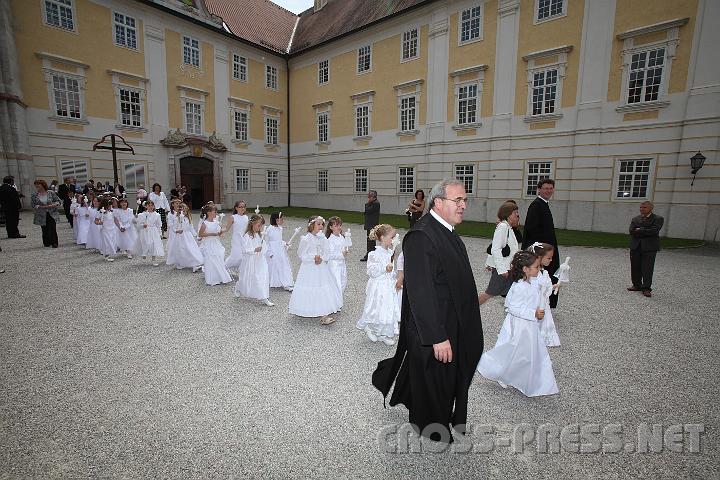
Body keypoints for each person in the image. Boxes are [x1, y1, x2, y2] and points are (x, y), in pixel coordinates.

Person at [372, 179, 484, 443]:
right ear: (438, 202)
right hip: (436, 325)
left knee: (442, 375)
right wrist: (437, 336)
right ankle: (431, 426)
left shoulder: (446, 230)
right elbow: (421, 293)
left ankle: (429, 409)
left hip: (451, 319)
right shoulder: (422, 236)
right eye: (458, 200)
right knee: (437, 377)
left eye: (464, 200)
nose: (463, 205)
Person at [477, 250, 559, 397]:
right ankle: (502, 372)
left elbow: (540, 290)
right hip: (520, 326)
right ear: (525, 270)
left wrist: (551, 287)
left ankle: (532, 381)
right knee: (513, 351)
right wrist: (532, 313)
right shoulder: (519, 287)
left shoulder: (532, 282)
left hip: (530, 326)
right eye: (536, 267)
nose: (538, 269)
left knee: (531, 353)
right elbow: (512, 307)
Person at [288, 216, 343, 325]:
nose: (321, 226)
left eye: (322, 224)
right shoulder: (306, 239)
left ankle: (324, 314)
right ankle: (309, 308)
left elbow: (327, 252)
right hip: (309, 268)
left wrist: (322, 257)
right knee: (311, 287)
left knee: (322, 288)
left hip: (321, 267)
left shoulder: (322, 237)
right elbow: (301, 255)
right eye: (318, 224)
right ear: (311, 225)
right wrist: (313, 258)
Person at [356, 224, 401, 346]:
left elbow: (392, 271)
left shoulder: (390, 252)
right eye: (391, 237)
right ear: (382, 237)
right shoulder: (374, 254)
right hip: (378, 286)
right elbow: (371, 271)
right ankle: (370, 327)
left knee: (386, 309)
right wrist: (384, 268)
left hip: (388, 285)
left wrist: (395, 278)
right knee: (376, 308)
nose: (394, 239)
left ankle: (383, 333)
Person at [522, 179, 560, 308]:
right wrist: (541, 252)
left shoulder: (543, 204)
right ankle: (538, 304)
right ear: (539, 189)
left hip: (546, 250)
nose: (549, 191)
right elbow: (532, 231)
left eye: (551, 188)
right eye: (546, 188)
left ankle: (543, 303)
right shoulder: (536, 205)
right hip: (542, 251)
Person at [479, 202, 521, 305]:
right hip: (503, 270)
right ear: (508, 214)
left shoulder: (508, 228)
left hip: (509, 268)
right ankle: (469, 309)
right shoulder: (503, 227)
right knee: (489, 293)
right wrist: (501, 270)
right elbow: (495, 249)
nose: (518, 215)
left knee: (513, 292)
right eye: (515, 213)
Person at [235, 214, 274, 306]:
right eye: (259, 225)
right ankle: (239, 287)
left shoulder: (259, 235)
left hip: (260, 260)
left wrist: (263, 248)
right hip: (250, 260)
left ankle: (264, 297)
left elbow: (264, 247)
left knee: (260, 277)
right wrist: (254, 250)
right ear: (252, 224)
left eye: (261, 225)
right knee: (247, 278)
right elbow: (244, 250)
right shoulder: (247, 236)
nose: (260, 227)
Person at [628, 201, 664, 298]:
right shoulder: (635, 219)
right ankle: (636, 285)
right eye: (641, 207)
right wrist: (644, 230)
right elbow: (631, 231)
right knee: (635, 266)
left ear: (650, 208)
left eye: (644, 207)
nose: (641, 209)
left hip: (649, 247)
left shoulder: (657, 219)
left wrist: (640, 230)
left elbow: (654, 231)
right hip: (636, 246)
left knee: (647, 268)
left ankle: (646, 288)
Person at [528, 242, 560, 347]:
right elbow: (534, 288)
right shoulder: (533, 273)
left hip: (543, 303)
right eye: (549, 258)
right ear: (539, 257)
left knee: (543, 321)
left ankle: (541, 336)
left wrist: (553, 286)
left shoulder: (543, 272)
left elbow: (545, 287)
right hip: (536, 303)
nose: (551, 260)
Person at [198, 204, 232, 286]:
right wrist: (212, 234)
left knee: (218, 257)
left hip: (216, 243)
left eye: (216, 212)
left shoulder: (217, 222)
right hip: (209, 243)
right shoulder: (205, 223)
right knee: (210, 259)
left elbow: (220, 234)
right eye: (214, 212)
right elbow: (200, 234)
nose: (216, 213)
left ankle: (220, 276)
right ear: (209, 212)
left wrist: (222, 231)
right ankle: (212, 278)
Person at [166, 203, 203, 272]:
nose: (183, 212)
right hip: (180, 237)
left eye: (184, 210)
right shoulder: (176, 218)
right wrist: (176, 230)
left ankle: (194, 264)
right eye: (181, 210)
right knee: (182, 250)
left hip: (188, 236)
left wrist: (197, 236)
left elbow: (191, 228)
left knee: (190, 249)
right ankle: (182, 263)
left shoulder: (188, 219)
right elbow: (173, 226)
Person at [266, 211, 294, 291]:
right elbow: (267, 242)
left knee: (283, 265)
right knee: (275, 266)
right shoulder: (269, 229)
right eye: (281, 219)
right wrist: (269, 253)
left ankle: (286, 283)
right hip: (273, 250)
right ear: (276, 220)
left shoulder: (280, 228)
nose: (283, 220)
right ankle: (277, 281)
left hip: (280, 250)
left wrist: (285, 243)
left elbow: (279, 240)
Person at [30, 180, 62, 248]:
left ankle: (54, 243)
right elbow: (33, 205)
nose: (37, 186)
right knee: (44, 228)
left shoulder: (51, 192)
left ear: (43, 185)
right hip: (41, 214)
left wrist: (53, 205)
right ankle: (46, 242)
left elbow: (58, 201)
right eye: (36, 185)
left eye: (38, 184)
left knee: (52, 228)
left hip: (52, 213)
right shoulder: (34, 195)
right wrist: (40, 207)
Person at [133, 199, 164, 266]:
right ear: (146, 206)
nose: (150, 207)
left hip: (153, 231)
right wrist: (142, 225)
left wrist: (160, 233)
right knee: (146, 243)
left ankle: (153, 259)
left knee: (153, 245)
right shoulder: (142, 215)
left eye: (152, 205)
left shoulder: (157, 215)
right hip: (145, 231)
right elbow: (138, 224)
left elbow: (159, 225)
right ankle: (144, 254)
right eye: (149, 205)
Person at [325, 216, 348, 294]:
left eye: (340, 225)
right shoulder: (330, 240)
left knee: (343, 281)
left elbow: (344, 247)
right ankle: (335, 301)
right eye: (336, 226)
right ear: (331, 227)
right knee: (336, 282)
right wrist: (341, 254)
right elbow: (329, 255)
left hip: (342, 264)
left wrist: (346, 250)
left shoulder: (342, 237)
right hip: (334, 265)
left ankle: (338, 299)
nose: (339, 227)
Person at [224, 201, 249, 275]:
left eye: (244, 206)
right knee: (236, 256)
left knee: (244, 255)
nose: (243, 208)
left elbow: (247, 229)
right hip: (236, 239)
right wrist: (218, 230)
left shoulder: (246, 217)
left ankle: (241, 270)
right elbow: (227, 229)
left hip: (244, 239)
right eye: (241, 207)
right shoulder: (233, 217)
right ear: (236, 208)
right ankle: (224, 266)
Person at [95, 197, 118, 262]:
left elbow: (115, 220)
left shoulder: (112, 212)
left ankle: (109, 254)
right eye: (109, 205)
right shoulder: (100, 212)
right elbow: (96, 221)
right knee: (107, 242)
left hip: (112, 229)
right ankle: (106, 255)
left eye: (111, 205)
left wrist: (119, 227)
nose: (111, 206)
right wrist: (100, 223)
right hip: (105, 229)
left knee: (112, 241)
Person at [361, 190, 380, 262]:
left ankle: (370, 254)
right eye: (368, 196)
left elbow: (368, 210)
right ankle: (371, 254)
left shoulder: (375, 203)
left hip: (372, 225)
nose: (368, 198)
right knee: (370, 240)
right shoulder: (372, 203)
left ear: (373, 197)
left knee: (371, 240)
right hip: (370, 224)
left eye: (369, 196)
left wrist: (367, 204)